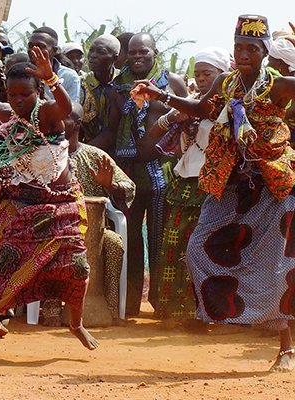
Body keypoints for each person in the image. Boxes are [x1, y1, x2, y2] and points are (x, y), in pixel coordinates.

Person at [131, 14, 295, 372]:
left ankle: (287, 347)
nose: (244, 53)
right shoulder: (225, 83)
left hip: (275, 184)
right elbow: (201, 108)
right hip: (232, 183)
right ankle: (238, 314)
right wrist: (159, 94)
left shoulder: (281, 85)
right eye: (239, 47)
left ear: (265, 51)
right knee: (199, 246)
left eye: (252, 47)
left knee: (282, 264)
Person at [0, 46, 98, 350]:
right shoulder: (9, 114)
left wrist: (51, 79)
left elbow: (65, 106)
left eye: (25, 94)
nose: (18, 100)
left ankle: (76, 324)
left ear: (38, 93)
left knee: (78, 269)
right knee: (8, 257)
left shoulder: (48, 113)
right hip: (25, 207)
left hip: (63, 207)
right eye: (12, 95)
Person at [145, 47, 231, 323]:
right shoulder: (189, 103)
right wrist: (174, 116)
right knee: (174, 248)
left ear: (221, 76)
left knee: (207, 252)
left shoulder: (232, 107)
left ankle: (211, 314)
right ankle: (175, 314)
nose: (202, 79)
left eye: (208, 73)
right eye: (198, 74)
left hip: (215, 188)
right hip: (184, 186)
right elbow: (153, 134)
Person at [112, 32, 188, 317]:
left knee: (161, 239)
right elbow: (112, 127)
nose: (137, 57)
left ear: (155, 52)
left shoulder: (172, 82)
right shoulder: (118, 85)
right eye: (132, 52)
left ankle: (160, 302)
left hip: (162, 172)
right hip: (128, 171)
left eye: (144, 52)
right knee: (130, 238)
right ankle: (130, 303)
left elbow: (189, 122)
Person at [42, 102, 135, 326]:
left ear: (78, 124)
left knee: (113, 243)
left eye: (64, 118)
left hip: (95, 231)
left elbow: (129, 186)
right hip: (56, 227)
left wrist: (110, 185)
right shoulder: (44, 156)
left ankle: (110, 310)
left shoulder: (95, 156)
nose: (57, 122)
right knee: (50, 242)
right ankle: (51, 310)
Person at [80, 34, 122, 154]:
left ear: (115, 59)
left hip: (121, 152)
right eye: (91, 50)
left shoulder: (123, 84)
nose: (93, 56)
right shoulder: (81, 85)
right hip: (87, 149)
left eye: (101, 52)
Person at [28, 27, 81, 102]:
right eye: (30, 46)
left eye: (41, 46)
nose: (33, 50)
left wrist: (44, 99)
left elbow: (71, 112)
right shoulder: (20, 72)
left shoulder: (69, 76)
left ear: (54, 51)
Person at [268, 36, 295, 141]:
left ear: (280, 63)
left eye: (270, 61)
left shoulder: (290, 83)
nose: (268, 65)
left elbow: (291, 111)